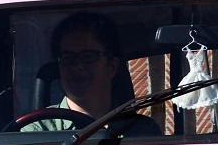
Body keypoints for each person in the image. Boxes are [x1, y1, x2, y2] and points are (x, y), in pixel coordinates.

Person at [22, 12, 160, 135]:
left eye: (88, 56)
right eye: (68, 57)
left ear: (112, 66)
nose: (77, 66)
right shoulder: (36, 131)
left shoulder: (141, 132)